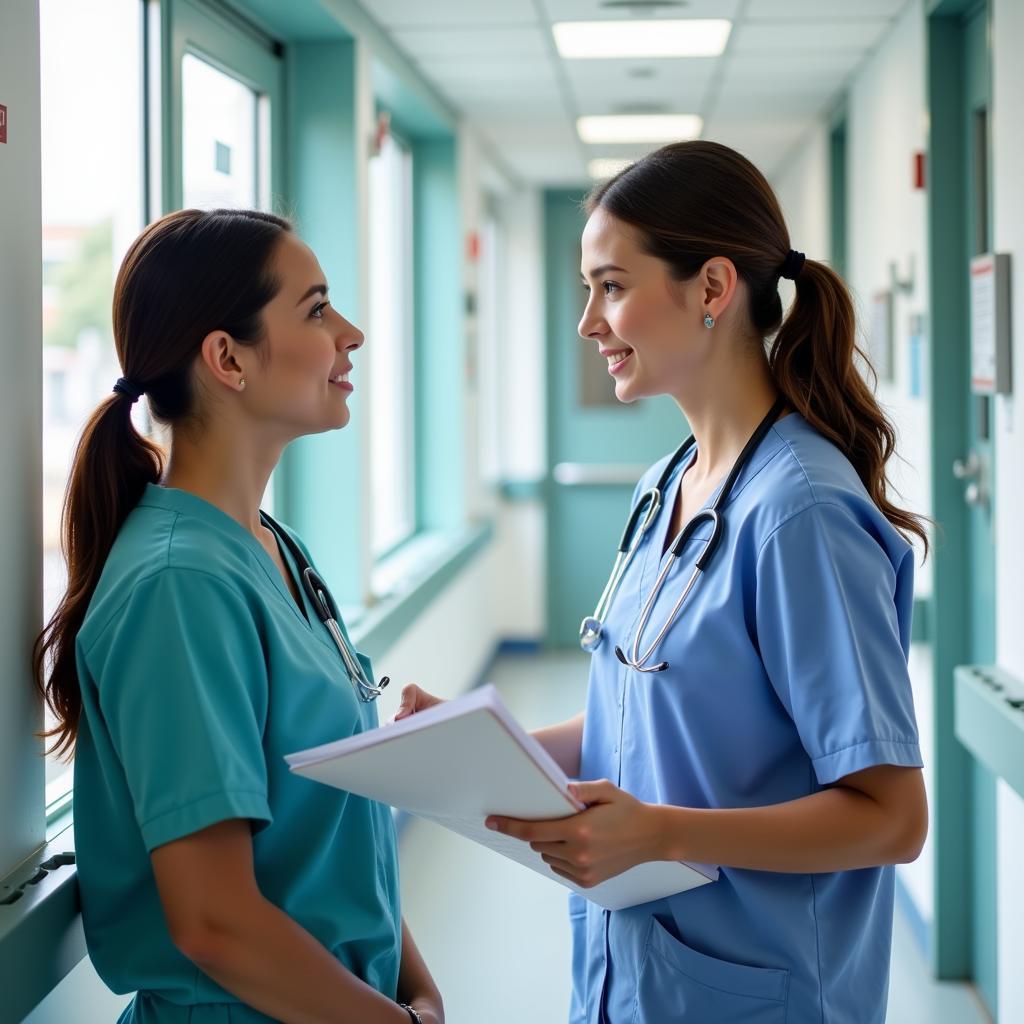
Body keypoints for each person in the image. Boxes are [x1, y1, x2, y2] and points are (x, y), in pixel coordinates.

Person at [396, 141, 928, 1023]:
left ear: (713, 289)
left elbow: (890, 815)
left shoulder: (802, 514)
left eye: (610, 286)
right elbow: (639, 712)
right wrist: (479, 747)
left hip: (764, 988)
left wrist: (667, 830)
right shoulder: (668, 484)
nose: (588, 321)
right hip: (634, 974)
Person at [35, 208, 442, 1024]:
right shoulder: (180, 585)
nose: (351, 334)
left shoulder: (270, 546)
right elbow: (215, 922)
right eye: (318, 309)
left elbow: (329, 833)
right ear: (227, 358)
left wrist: (412, 983)